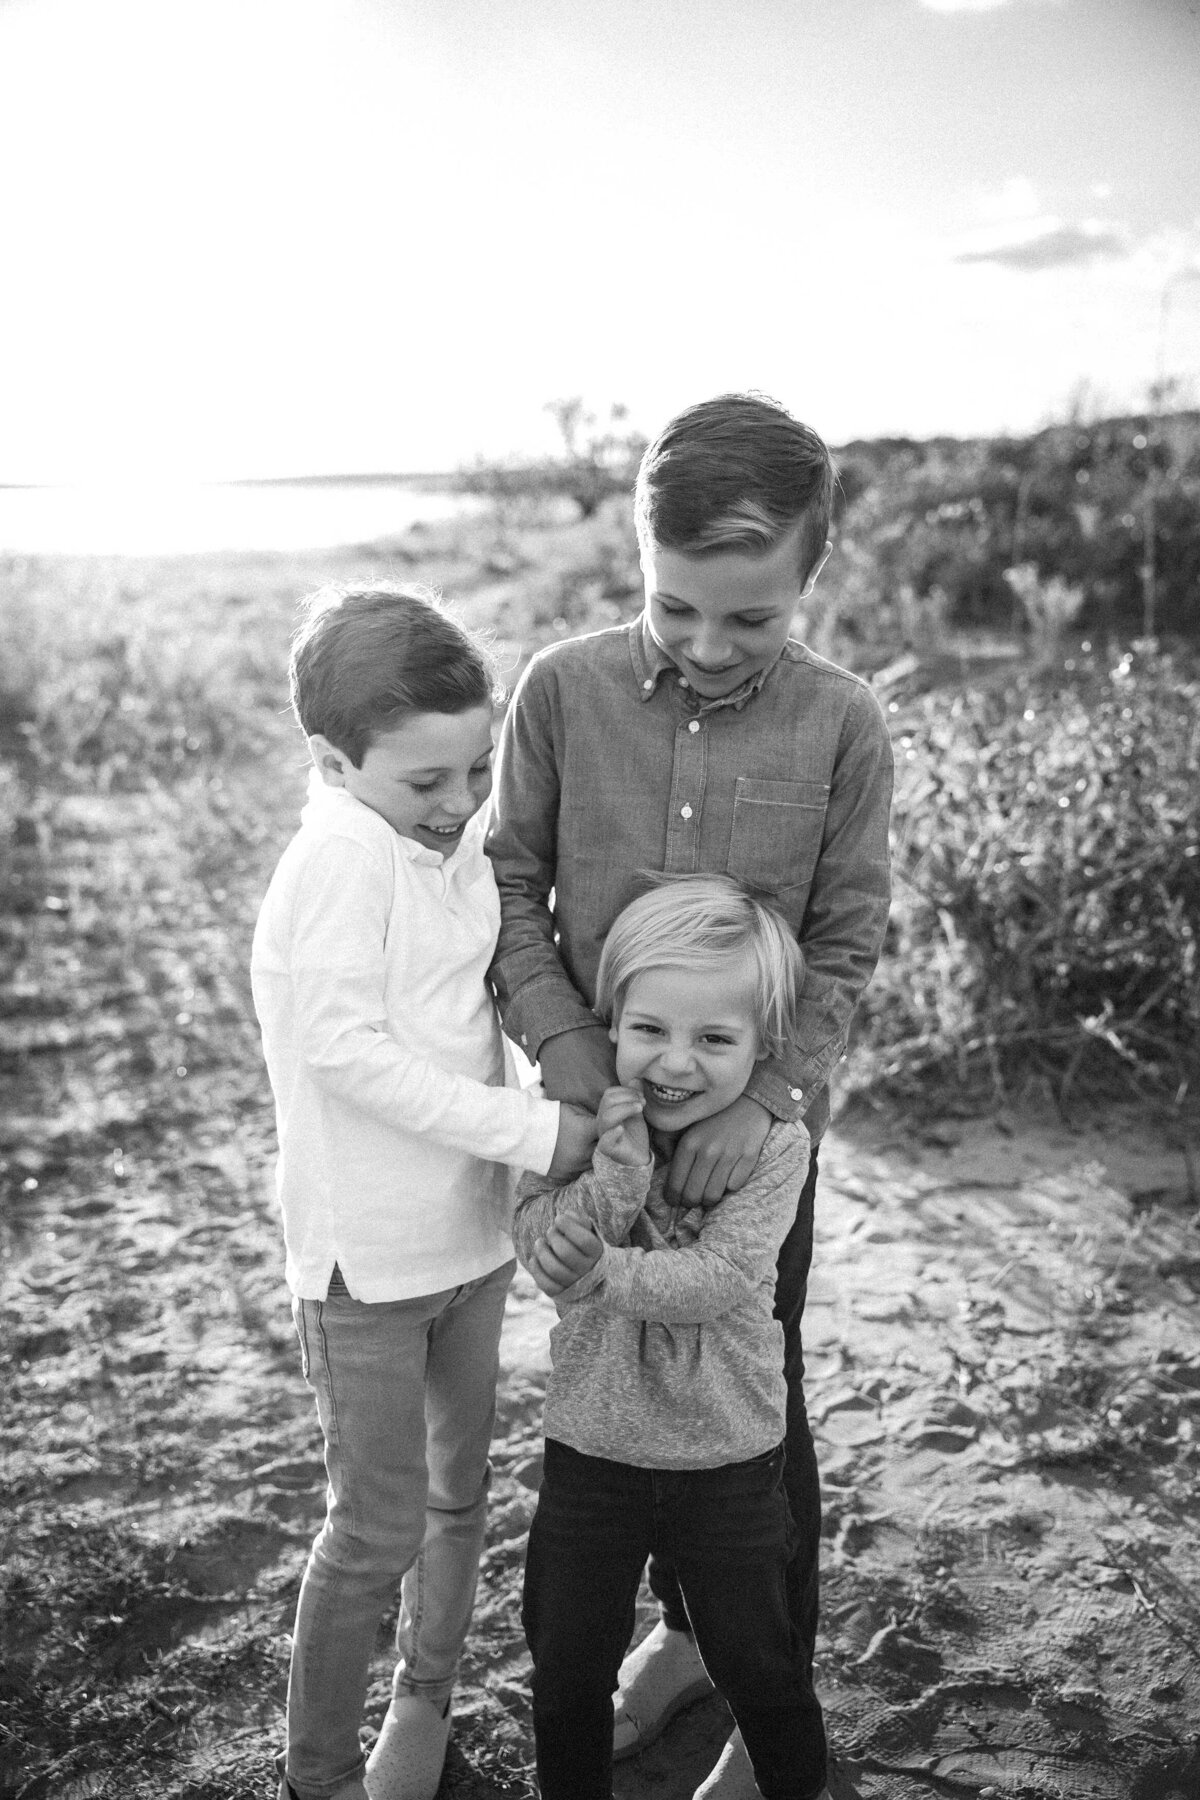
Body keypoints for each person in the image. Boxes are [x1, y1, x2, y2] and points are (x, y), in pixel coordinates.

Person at [487, 392, 894, 1796]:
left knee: (750, 1395)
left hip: (749, 1137)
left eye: (753, 620)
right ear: (635, 563)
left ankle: (735, 1661)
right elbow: (510, 889)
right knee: (606, 1380)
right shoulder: (560, 691)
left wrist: (763, 1096)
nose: (712, 649)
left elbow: (845, 936)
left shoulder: (844, 725)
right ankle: (659, 1645)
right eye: (676, 612)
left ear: (811, 583)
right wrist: (568, 1054)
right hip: (597, 1114)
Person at [250, 583, 595, 1800]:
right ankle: (319, 1776)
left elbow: (472, 1004)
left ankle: (425, 1708)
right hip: (368, 1271)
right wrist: (535, 1129)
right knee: (374, 1531)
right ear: (334, 762)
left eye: (473, 771)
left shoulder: (437, 837)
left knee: (461, 1499)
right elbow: (348, 1054)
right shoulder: (338, 861)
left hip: (470, 1241)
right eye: (425, 784)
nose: (459, 806)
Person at [514, 876, 820, 1800]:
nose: (674, 1063)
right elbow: (543, 1243)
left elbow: (721, 1280)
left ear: (764, 1049)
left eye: (714, 1040)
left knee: (760, 1665)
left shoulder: (777, 1149)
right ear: (613, 1020)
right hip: (591, 1450)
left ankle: (796, 1785)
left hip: (725, 1455)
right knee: (566, 1668)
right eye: (649, 1030)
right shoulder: (579, 1118)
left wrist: (605, 1270)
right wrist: (611, 1169)